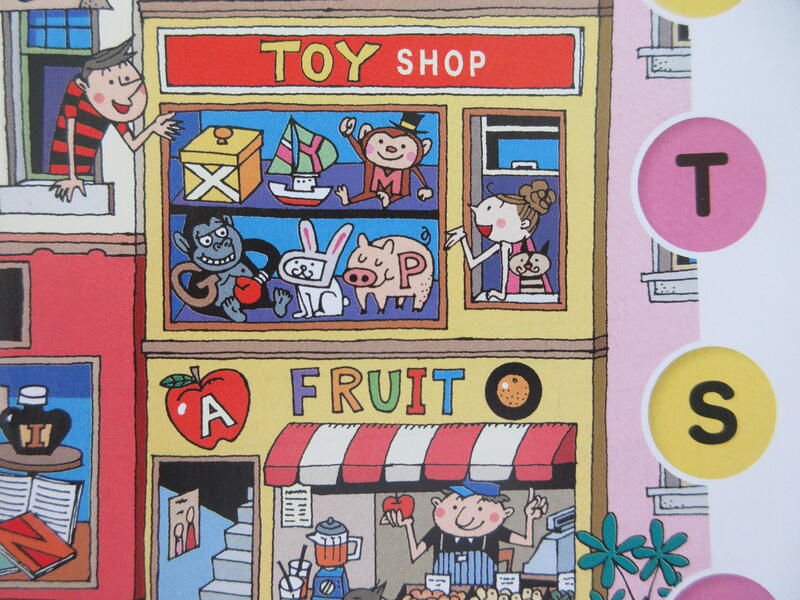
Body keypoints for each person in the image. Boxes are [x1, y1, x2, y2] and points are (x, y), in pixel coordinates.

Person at [48, 37, 180, 202]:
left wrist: (153, 127)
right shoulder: (76, 89)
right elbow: (70, 131)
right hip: (62, 170)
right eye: (111, 82)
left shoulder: (112, 110)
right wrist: (72, 177)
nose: (124, 91)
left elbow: (133, 143)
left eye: (127, 80)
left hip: (85, 170)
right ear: (83, 85)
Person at [384, 477, 548, 586]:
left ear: (505, 513)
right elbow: (415, 554)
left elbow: (527, 541)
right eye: (455, 507)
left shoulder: (493, 532)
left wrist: (529, 518)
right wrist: (408, 525)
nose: (464, 518)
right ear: (437, 504)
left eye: (480, 508)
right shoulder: (439, 533)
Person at [444, 181, 555, 301]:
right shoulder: (504, 244)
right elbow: (473, 263)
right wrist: (463, 236)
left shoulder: (513, 243)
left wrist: (502, 293)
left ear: (524, 223)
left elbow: (504, 269)